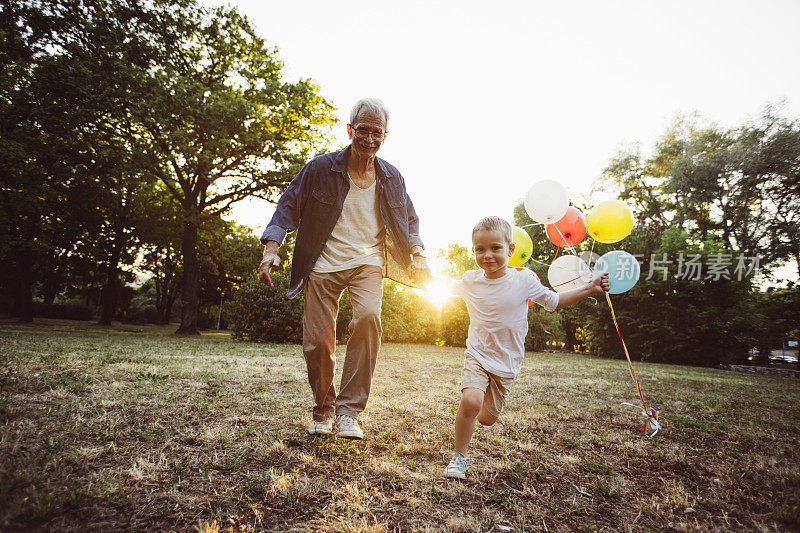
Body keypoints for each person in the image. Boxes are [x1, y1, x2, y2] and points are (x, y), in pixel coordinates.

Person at [257, 98, 431, 440]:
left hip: (368, 261)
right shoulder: (321, 168)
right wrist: (271, 249)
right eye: (362, 130)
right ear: (350, 130)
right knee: (319, 341)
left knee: (368, 318)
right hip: (323, 261)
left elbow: (410, 220)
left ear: (385, 136)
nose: (369, 138)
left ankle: (349, 412)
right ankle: (323, 409)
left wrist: (419, 253)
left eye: (376, 132)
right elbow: (287, 206)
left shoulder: (392, 176)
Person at [441, 216, 609, 479]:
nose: (487, 255)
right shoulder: (470, 281)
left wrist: (590, 288)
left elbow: (554, 301)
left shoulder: (524, 281)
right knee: (470, 401)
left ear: (510, 250)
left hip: (507, 363)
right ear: (473, 250)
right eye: (480, 249)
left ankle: (480, 413)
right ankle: (459, 457)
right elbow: (436, 284)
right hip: (477, 355)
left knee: (486, 419)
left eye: (495, 248)